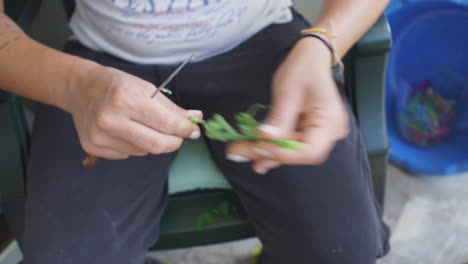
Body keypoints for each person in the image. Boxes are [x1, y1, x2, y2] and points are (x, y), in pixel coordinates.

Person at [0, 0, 391, 263]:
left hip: (264, 45)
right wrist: (75, 87)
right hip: (101, 63)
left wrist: (323, 45)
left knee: (342, 249)